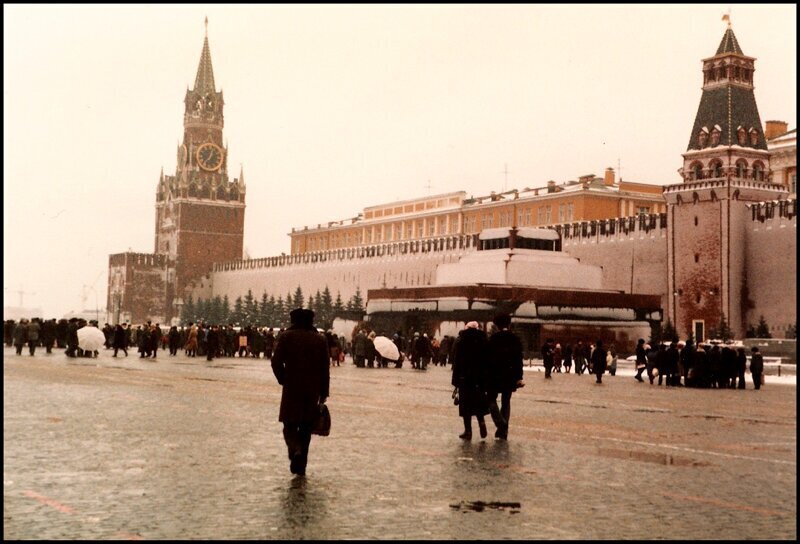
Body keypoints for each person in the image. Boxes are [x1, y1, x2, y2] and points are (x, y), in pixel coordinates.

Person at [271, 308, 330, 476]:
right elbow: (325, 368)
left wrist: (283, 378)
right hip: (311, 391)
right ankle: (301, 466)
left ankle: (294, 449)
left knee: (289, 425)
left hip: (291, 389)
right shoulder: (320, 339)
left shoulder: (287, 337)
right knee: (306, 428)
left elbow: (275, 362)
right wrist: (323, 392)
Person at [486, 314, 524, 440]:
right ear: (508, 324)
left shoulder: (493, 339)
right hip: (510, 375)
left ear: (497, 325)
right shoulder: (515, 339)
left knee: (491, 399)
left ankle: (501, 424)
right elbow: (519, 359)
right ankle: (504, 431)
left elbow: (487, 359)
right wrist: (519, 376)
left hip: (494, 375)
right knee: (506, 401)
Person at [451, 321, 490, 440]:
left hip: (465, 377)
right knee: (479, 403)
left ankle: (468, 431)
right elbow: (487, 359)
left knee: (465, 405)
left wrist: (455, 381)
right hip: (479, 378)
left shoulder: (461, 340)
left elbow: (457, 361)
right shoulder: (484, 340)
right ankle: (482, 423)